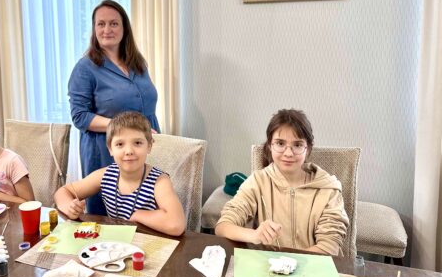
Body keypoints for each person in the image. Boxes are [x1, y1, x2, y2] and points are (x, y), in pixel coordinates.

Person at [68, 0, 160, 215]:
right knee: (109, 214)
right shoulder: (85, 68)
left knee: (148, 206)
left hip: (144, 144)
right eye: (101, 24)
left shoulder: (138, 62)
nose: (107, 29)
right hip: (106, 149)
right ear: (94, 29)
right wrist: (122, 127)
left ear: (124, 27)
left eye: (114, 23)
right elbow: (80, 116)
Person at [215, 109, 349, 256]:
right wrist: (254, 235)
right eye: (280, 143)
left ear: (308, 149)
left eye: (297, 145)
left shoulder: (328, 189)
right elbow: (223, 226)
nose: (288, 153)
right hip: (268, 266)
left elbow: (329, 247)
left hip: (313, 266)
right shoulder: (258, 181)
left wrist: (287, 263)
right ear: (270, 146)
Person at [54, 111, 185, 236]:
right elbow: (63, 191)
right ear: (110, 149)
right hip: (116, 243)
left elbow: (176, 224)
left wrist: (138, 215)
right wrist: (68, 207)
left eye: (137, 143)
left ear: (149, 146)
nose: (129, 151)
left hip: (150, 243)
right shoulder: (105, 175)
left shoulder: (159, 181)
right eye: (120, 144)